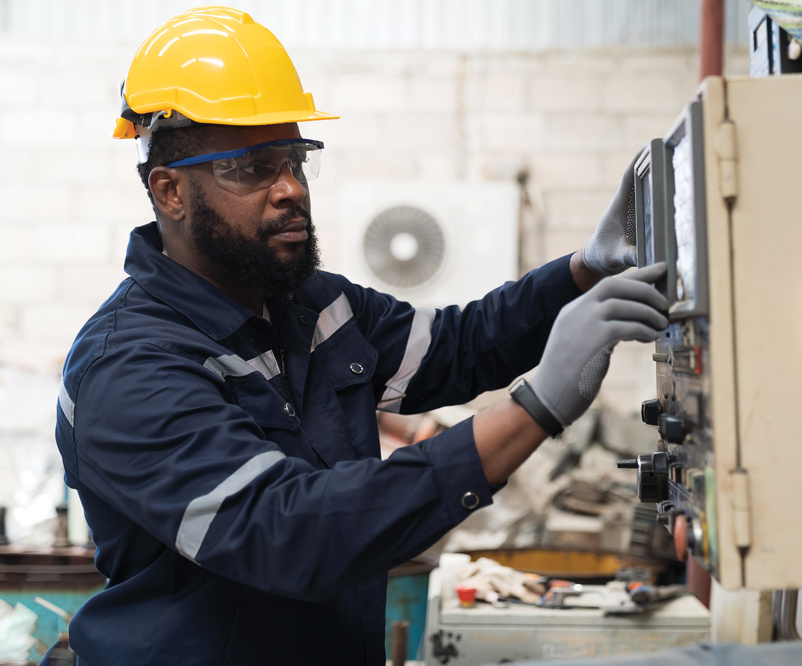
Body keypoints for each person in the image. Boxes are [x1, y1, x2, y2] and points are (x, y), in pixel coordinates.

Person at [48, 7, 669, 665]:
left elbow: (456, 346)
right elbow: (291, 532)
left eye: (294, 160)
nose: (290, 189)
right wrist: (535, 409)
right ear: (169, 192)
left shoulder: (310, 305)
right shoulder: (129, 366)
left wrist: (581, 272)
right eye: (251, 168)